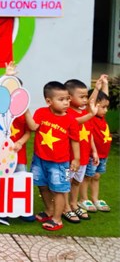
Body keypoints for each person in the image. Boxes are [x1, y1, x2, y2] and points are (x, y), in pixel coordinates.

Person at [24, 81, 80, 231]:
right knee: (42, 185)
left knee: (60, 189)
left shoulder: (71, 119)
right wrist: (26, 110)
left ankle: (57, 219)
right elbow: (33, 127)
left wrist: (76, 159)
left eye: (67, 99)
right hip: (39, 159)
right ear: (49, 101)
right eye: (61, 99)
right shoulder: (41, 112)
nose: (66, 102)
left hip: (61, 163)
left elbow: (75, 141)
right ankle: (49, 210)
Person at [63, 78, 98, 223]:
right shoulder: (67, 113)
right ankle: (65, 207)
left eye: (86, 96)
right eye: (82, 96)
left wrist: (94, 151)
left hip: (83, 158)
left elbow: (89, 135)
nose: (85, 100)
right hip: (70, 159)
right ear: (69, 98)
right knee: (67, 182)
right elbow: (75, 122)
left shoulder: (86, 112)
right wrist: (90, 114)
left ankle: (73, 203)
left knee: (77, 182)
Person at [80, 75, 111, 214]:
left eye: (106, 107)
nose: (106, 110)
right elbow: (92, 102)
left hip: (103, 155)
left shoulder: (101, 116)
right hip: (93, 154)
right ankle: (83, 198)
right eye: (103, 107)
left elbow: (104, 98)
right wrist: (97, 88)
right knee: (87, 176)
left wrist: (105, 83)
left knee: (97, 176)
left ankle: (95, 198)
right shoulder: (91, 116)